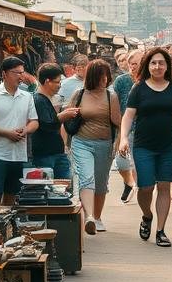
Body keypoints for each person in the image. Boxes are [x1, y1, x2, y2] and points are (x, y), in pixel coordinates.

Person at [117, 47, 172, 247]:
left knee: (164, 186)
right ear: (148, 65)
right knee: (146, 186)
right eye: (153, 63)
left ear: (167, 66)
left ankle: (161, 230)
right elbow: (129, 115)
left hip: (168, 146)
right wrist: (123, 138)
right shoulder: (138, 88)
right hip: (143, 146)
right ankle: (147, 215)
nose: (157, 66)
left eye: (161, 63)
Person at [67, 58, 121, 233]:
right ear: (93, 76)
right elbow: (67, 118)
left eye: (106, 75)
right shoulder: (79, 94)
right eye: (101, 75)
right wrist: (64, 143)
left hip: (104, 144)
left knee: (101, 183)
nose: (105, 79)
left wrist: (117, 144)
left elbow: (118, 124)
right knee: (86, 177)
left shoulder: (110, 96)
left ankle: (97, 217)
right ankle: (89, 216)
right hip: (82, 142)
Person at [0, 56, 39, 205]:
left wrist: (25, 130)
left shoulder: (27, 97)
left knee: (12, 195)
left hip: (18, 155)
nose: (21, 76)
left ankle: (9, 227)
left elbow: (34, 122)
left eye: (22, 73)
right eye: (16, 73)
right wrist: (7, 133)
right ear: (4, 74)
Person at [31, 63, 78, 180]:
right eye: (57, 82)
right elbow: (47, 125)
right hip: (45, 155)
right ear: (47, 81)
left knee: (63, 188)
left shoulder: (46, 99)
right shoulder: (38, 100)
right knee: (48, 190)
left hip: (56, 152)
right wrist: (63, 116)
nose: (59, 86)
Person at [112, 50, 141, 202]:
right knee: (121, 161)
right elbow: (114, 103)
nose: (132, 67)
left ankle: (140, 188)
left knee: (139, 163)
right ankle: (129, 182)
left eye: (136, 64)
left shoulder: (149, 80)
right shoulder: (121, 81)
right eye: (131, 64)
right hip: (125, 127)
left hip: (143, 128)